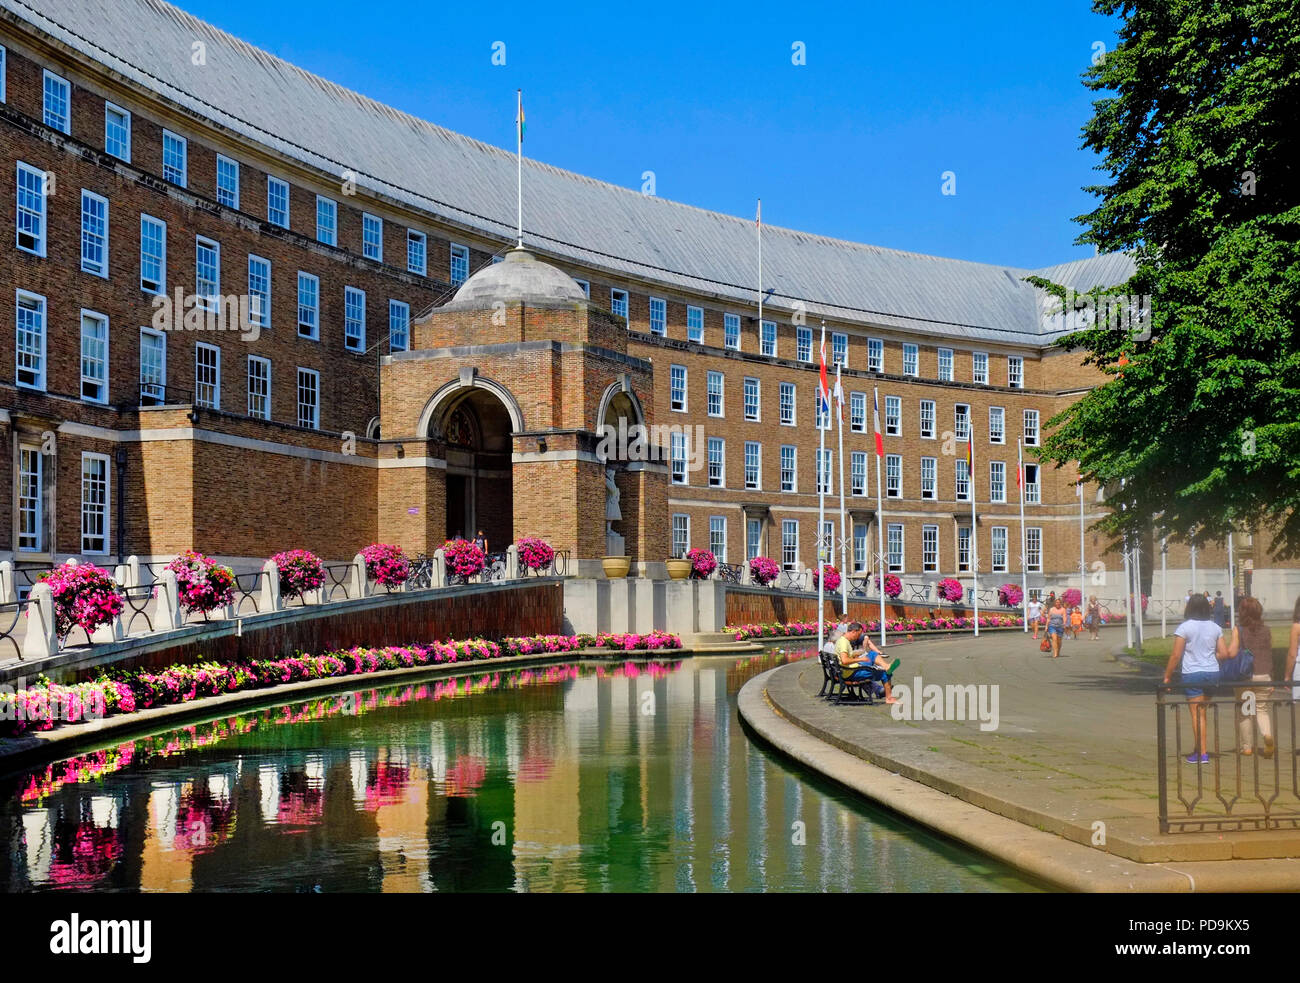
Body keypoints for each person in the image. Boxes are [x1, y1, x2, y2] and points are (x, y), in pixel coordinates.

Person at [1162, 594, 1230, 764]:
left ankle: (1203, 753)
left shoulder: (1185, 628)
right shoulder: (1215, 627)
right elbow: (1224, 653)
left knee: (1196, 714)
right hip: (1212, 672)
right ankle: (1198, 748)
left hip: (1192, 673)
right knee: (1202, 713)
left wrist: (1167, 676)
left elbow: (1176, 655)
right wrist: (1210, 655)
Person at [1230, 596, 1274, 758]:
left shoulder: (1239, 629)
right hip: (1264, 675)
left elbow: (1233, 652)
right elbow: (1269, 654)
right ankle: (1267, 735)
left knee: (1245, 710)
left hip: (1245, 676)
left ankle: (1247, 747)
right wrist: (1272, 677)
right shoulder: (1266, 630)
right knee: (1262, 709)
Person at [836, 622, 900, 704]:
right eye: (858, 634)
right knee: (885, 673)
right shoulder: (844, 643)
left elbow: (845, 658)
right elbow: (844, 660)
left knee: (872, 654)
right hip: (851, 673)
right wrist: (861, 659)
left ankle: (886, 665)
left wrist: (855, 654)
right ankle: (889, 698)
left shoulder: (843, 640)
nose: (858, 637)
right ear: (853, 632)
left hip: (849, 670)